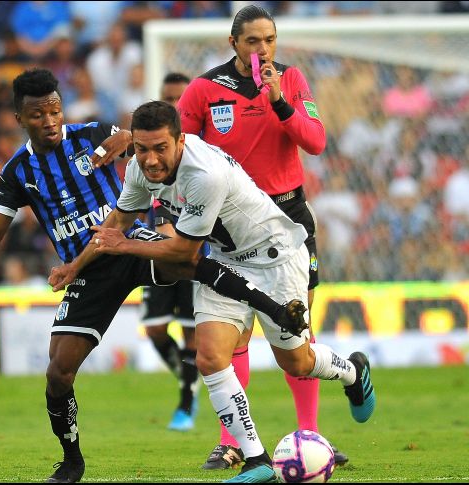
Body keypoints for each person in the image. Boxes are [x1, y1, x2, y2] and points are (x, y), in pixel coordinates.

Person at [0, 68, 307, 484]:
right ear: (19, 118)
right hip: (88, 268)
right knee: (58, 372)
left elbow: (136, 141)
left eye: (54, 111)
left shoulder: (90, 135)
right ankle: (71, 461)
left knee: (188, 259)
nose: (49, 122)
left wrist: (122, 139)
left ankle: (276, 309)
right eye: (37, 116)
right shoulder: (18, 173)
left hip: (127, 240)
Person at [91, 101, 376, 483]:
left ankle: (352, 372)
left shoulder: (204, 173)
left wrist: (123, 245)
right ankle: (257, 459)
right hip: (226, 259)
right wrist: (77, 264)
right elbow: (120, 220)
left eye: (160, 148)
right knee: (210, 357)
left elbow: (182, 251)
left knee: (296, 362)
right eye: (142, 149)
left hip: (275, 256)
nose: (151, 159)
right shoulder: (140, 169)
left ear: (180, 140)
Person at [176, 4, 351, 468]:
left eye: (269, 40)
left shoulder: (290, 81)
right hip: (228, 226)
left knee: (297, 333)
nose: (262, 50)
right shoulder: (203, 91)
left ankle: (309, 436)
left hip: (288, 217)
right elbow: (178, 155)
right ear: (233, 44)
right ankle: (232, 442)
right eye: (252, 41)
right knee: (229, 338)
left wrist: (278, 100)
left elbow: (315, 141)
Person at [140, 72, 200, 432]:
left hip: (195, 251)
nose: (174, 103)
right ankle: (188, 379)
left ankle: (186, 402)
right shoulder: (152, 143)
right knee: (156, 329)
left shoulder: (198, 145)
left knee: (192, 332)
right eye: (168, 97)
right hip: (159, 249)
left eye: (180, 97)